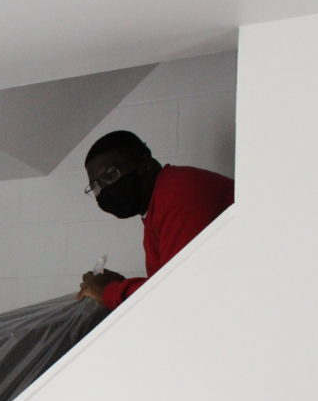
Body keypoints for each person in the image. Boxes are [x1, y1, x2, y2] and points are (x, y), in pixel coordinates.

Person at [77, 130, 234, 309]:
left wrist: (109, 291)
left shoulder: (179, 192)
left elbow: (179, 292)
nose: (104, 189)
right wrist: (119, 285)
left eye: (110, 175)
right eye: (95, 186)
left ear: (145, 162)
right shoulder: (157, 207)